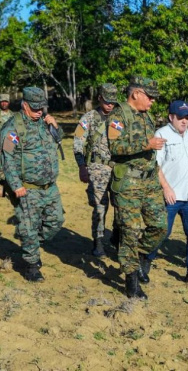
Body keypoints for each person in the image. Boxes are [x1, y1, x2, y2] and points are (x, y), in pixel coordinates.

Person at [107, 77, 168, 299]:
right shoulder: (118, 116)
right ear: (136, 94)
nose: (152, 101)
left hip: (149, 181)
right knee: (130, 231)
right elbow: (115, 146)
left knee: (160, 226)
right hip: (128, 183)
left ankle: (139, 256)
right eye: (149, 97)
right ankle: (131, 281)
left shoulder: (146, 116)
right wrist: (146, 144)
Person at [0, 87, 64, 282]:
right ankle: (31, 265)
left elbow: (59, 138)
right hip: (28, 188)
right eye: (35, 108)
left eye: (41, 108)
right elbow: (7, 158)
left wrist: (55, 125)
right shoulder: (13, 128)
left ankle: (31, 243)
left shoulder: (44, 122)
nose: (39, 112)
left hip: (50, 186)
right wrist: (16, 185)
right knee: (29, 227)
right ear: (24, 105)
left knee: (56, 222)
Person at [146, 100, 188, 288]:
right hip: (171, 196)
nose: (184, 121)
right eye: (180, 117)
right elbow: (156, 166)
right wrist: (166, 188)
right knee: (162, 232)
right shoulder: (161, 135)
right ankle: (144, 261)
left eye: (187, 117)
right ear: (171, 117)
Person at [73, 84, 118, 256]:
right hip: (97, 170)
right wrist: (81, 166)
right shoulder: (89, 118)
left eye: (113, 102)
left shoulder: (119, 118)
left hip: (118, 170)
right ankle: (98, 242)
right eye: (107, 101)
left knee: (121, 206)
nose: (110, 105)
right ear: (100, 98)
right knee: (100, 208)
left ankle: (117, 238)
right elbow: (78, 142)